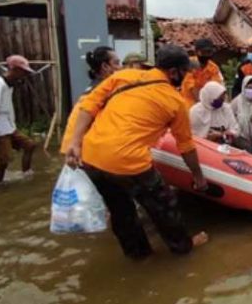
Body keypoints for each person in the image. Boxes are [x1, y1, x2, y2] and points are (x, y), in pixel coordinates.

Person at [66, 45, 209, 260]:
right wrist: (198, 177)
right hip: (128, 161)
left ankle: (138, 255)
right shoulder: (175, 102)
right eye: (185, 72)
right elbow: (186, 146)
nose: (186, 76)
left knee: (120, 210)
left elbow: (88, 105)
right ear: (173, 72)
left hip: (91, 157)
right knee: (164, 205)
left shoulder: (124, 76)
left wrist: (75, 142)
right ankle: (183, 248)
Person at [0, 55, 36, 183]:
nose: (24, 75)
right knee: (3, 163)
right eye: (23, 72)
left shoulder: (9, 85)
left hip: (9, 127)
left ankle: (26, 174)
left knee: (30, 145)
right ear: (14, 70)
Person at [60, 46, 121, 154]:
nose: (121, 67)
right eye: (117, 63)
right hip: (79, 151)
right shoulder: (103, 91)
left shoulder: (92, 88)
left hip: (71, 148)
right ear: (105, 66)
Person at [180, 38, 224, 109]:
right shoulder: (189, 64)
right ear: (196, 52)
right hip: (189, 103)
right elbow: (193, 89)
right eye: (203, 52)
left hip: (207, 103)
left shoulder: (213, 67)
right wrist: (204, 105)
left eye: (209, 52)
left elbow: (217, 87)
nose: (206, 55)